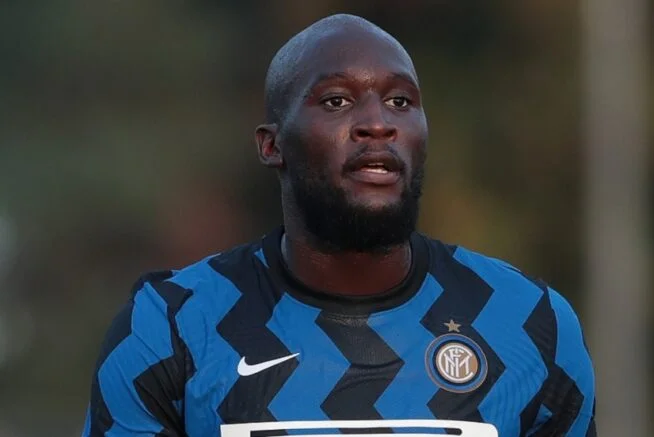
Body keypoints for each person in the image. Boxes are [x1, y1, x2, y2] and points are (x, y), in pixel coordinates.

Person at [81, 13, 596, 437]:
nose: (378, 123)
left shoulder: (530, 324)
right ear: (272, 144)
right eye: (336, 101)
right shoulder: (171, 328)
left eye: (400, 101)